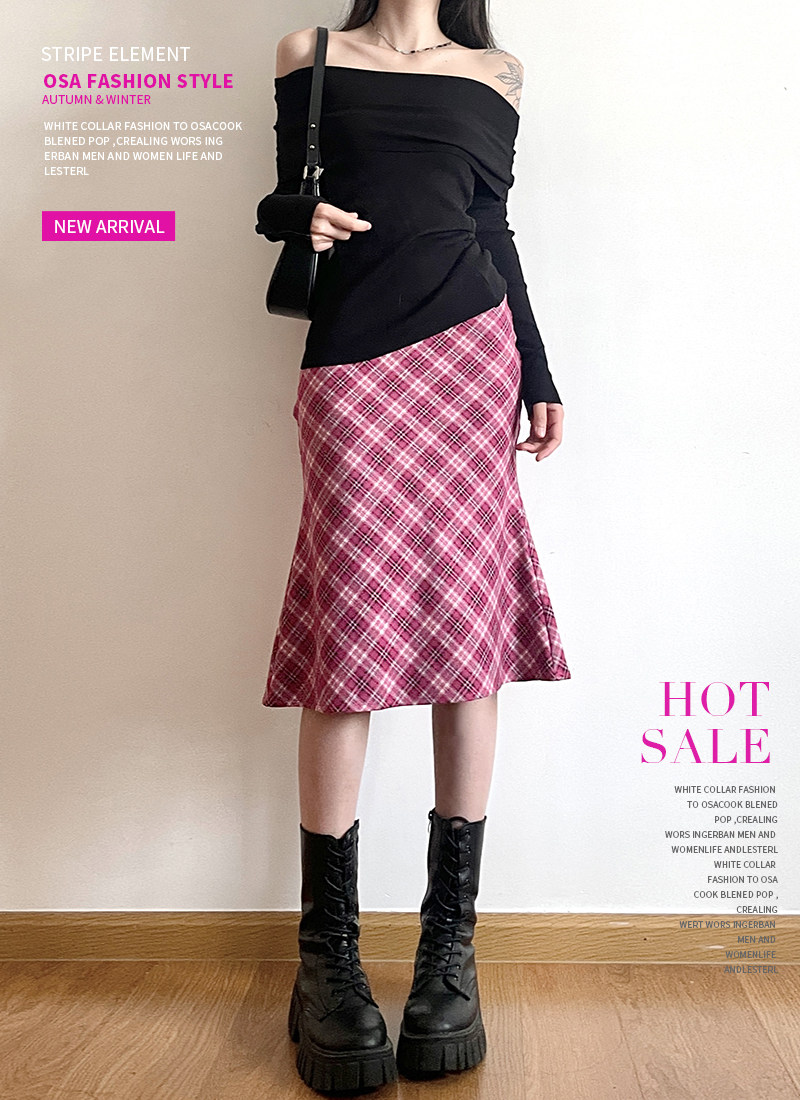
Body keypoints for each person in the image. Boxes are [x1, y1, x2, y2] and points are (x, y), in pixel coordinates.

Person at [255, 1, 571, 1092]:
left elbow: (492, 227)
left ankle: (449, 954)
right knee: (348, 640)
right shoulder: (311, 55)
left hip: (471, 357)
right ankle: (326, 962)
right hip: (351, 365)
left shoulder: (496, 72)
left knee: (466, 635)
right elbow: (288, 201)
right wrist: (288, 214)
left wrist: (536, 370)